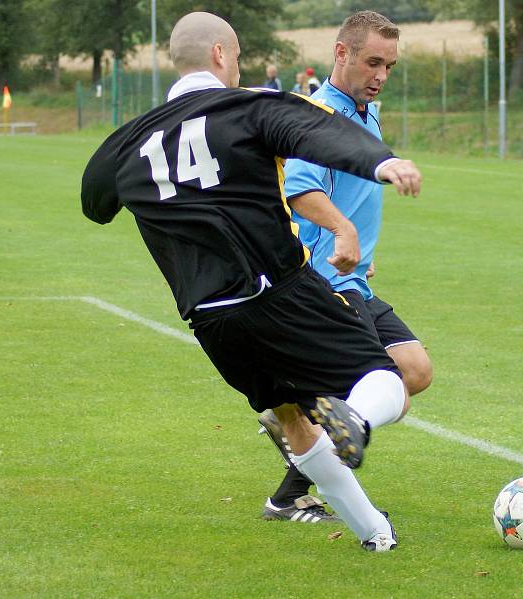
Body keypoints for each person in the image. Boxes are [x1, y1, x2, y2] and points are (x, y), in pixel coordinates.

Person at [80, 11, 423, 552]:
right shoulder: (248, 107)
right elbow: (317, 131)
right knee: (388, 382)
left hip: (211, 322)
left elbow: (94, 203)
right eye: (235, 58)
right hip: (278, 291)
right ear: (220, 55)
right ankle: (355, 418)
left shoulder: (130, 142)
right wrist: (382, 163)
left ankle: (375, 535)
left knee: (292, 419)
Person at [257, 10, 433, 525]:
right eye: (372, 62)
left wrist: (361, 246)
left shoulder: (365, 111)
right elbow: (301, 190)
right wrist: (343, 231)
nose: (381, 75)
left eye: (390, 66)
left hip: (353, 275)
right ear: (341, 53)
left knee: (414, 372)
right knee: (372, 393)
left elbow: (351, 189)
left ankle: (295, 413)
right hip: (323, 279)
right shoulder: (316, 116)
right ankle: (297, 459)